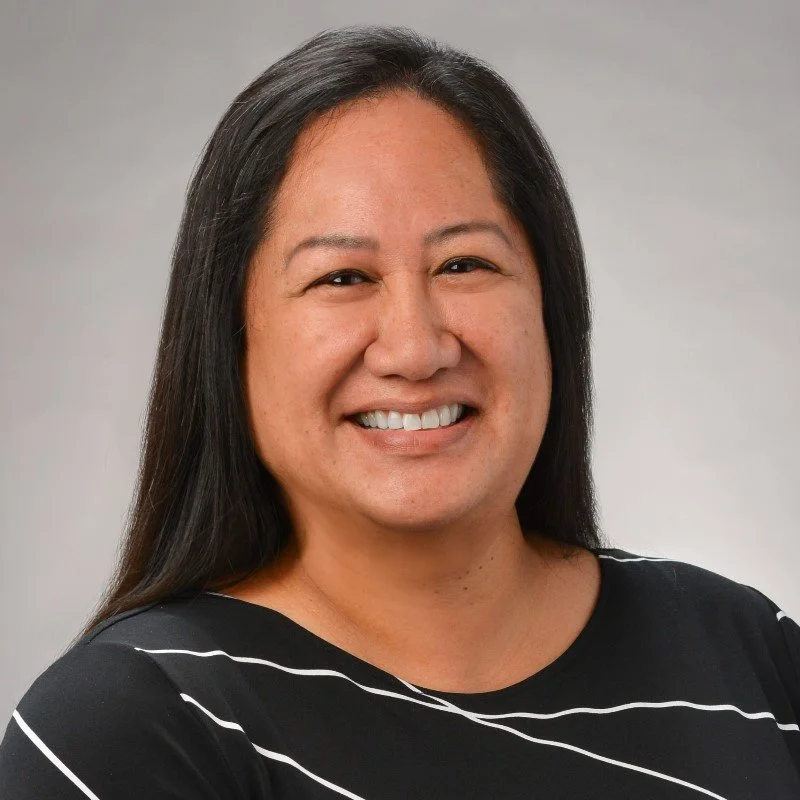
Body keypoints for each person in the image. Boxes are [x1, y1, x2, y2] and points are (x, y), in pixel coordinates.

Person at [1, 23, 798, 799]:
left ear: (551, 310)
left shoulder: (747, 655)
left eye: (464, 263)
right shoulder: (126, 730)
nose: (417, 350)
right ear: (229, 338)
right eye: (342, 278)